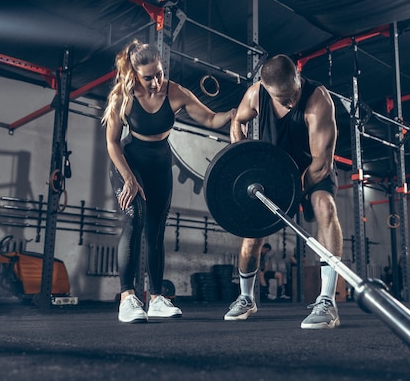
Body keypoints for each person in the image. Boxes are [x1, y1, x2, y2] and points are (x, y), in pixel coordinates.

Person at [102, 39, 234, 323]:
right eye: (148, 77)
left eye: (159, 73)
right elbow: (112, 143)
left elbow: (211, 119)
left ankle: (157, 298)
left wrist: (234, 114)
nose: (156, 81)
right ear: (135, 74)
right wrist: (129, 179)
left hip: (160, 163)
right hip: (129, 162)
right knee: (135, 217)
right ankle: (127, 298)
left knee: (156, 229)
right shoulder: (122, 97)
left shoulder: (175, 93)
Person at [225, 54, 343, 329]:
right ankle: (246, 297)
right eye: (283, 99)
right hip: (273, 171)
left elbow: (322, 163)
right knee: (252, 233)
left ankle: (327, 300)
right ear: (266, 90)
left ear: (298, 76)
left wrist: (291, 190)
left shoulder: (318, 101)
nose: (290, 102)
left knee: (325, 206)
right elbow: (237, 121)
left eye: (292, 94)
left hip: (311, 168)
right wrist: (242, 155)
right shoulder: (255, 95)